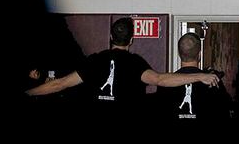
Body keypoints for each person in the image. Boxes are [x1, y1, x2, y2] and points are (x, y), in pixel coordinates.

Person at [25, 17, 219, 121]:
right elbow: (161, 80)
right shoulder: (136, 63)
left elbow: (59, 84)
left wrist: (28, 92)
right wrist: (199, 75)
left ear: (111, 37)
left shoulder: (95, 60)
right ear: (132, 40)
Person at [155, 32, 232, 143]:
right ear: (199, 55)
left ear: (179, 54)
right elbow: (224, 118)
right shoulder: (212, 81)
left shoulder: (166, 83)